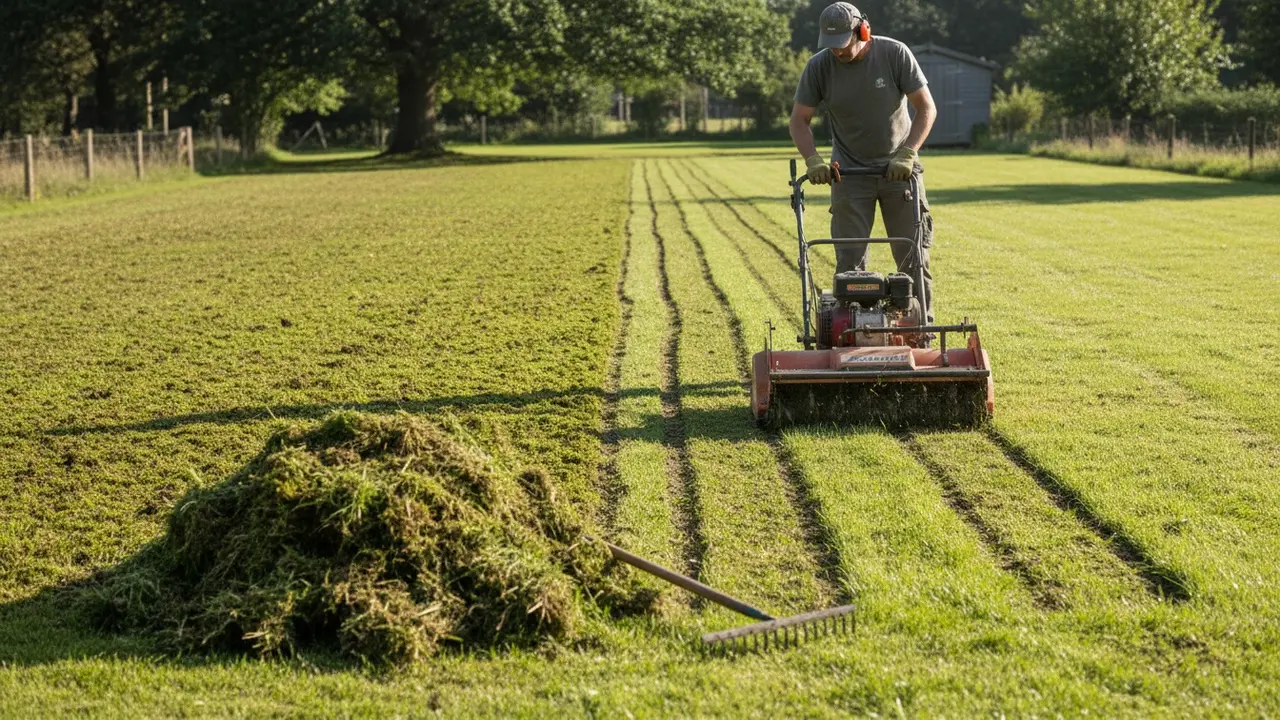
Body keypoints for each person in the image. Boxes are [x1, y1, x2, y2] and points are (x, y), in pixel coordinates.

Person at [790, 2, 938, 321]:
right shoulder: (819, 66)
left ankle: (919, 333)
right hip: (849, 175)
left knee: (913, 259)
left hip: (900, 173)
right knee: (849, 263)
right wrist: (813, 159)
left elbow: (926, 109)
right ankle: (854, 334)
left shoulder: (894, 54)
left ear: (863, 30)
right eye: (831, 46)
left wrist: (908, 152)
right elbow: (799, 120)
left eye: (843, 44)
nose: (838, 52)